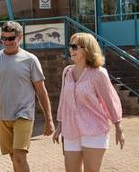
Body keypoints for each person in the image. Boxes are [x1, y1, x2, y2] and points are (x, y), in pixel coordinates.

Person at [0, 21, 55, 172]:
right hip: (2, 116)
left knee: (20, 157)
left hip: (24, 114)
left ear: (20, 37)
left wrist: (49, 119)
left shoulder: (30, 59)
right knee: (14, 158)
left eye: (11, 38)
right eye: (4, 39)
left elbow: (41, 90)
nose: (7, 42)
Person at [52, 32, 125, 172]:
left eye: (74, 46)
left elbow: (110, 100)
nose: (70, 50)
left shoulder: (98, 73)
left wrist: (118, 126)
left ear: (86, 49)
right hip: (70, 129)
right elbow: (64, 100)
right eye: (69, 46)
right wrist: (60, 126)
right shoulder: (66, 72)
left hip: (94, 129)